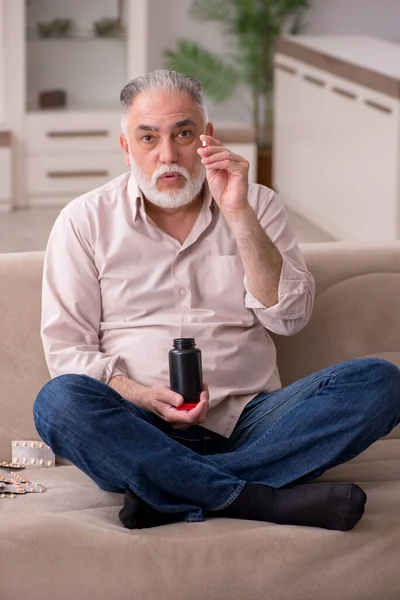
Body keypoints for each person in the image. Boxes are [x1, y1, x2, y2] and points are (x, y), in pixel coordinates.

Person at [34, 70, 400, 531]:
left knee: (380, 382)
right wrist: (143, 395)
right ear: (127, 148)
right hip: (138, 427)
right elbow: (69, 354)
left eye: (182, 133)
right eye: (148, 138)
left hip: (253, 423)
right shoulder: (83, 222)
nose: (167, 155)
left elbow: (289, 318)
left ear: (206, 138)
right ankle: (258, 499)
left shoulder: (258, 205)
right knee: (58, 402)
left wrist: (238, 214)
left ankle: (167, 492)